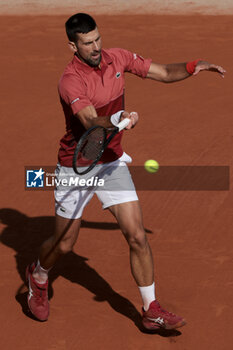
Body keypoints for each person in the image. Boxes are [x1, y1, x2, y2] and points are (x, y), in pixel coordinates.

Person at [26, 13, 225, 329]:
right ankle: (38, 274)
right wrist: (121, 120)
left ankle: (151, 310)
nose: (96, 47)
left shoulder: (117, 58)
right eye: (87, 43)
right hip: (76, 168)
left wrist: (191, 67)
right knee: (64, 245)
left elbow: (160, 71)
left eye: (98, 39)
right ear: (72, 46)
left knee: (135, 234)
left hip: (111, 163)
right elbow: (91, 122)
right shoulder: (70, 81)